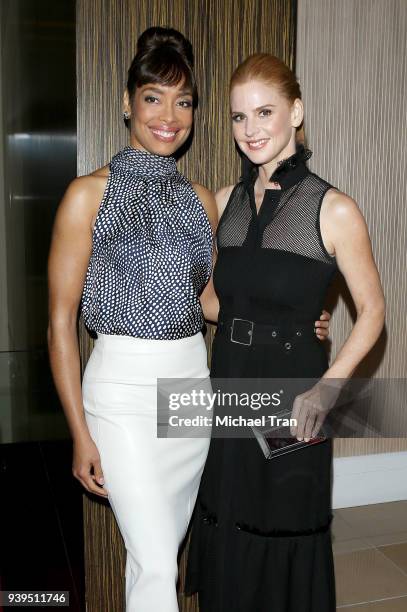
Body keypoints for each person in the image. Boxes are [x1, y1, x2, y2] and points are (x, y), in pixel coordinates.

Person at [185, 53, 386, 611]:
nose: (250, 130)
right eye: (237, 117)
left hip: (294, 390)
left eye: (265, 112)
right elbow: (207, 300)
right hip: (230, 378)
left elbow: (372, 311)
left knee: (282, 520)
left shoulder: (334, 208)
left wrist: (330, 386)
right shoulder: (224, 203)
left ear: (296, 112)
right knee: (229, 512)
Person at [47, 26, 220, 612]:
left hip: (191, 387)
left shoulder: (201, 199)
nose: (169, 115)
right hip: (119, 392)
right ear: (127, 103)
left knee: (155, 557)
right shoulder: (86, 195)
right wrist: (79, 432)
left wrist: (298, 314)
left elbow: (210, 302)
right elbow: (59, 323)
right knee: (154, 559)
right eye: (153, 97)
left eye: (184, 100)